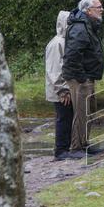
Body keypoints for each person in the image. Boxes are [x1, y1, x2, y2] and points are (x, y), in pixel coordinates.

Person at [61, 0, 104, 155]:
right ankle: (76, 147)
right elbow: (72, 56)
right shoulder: (80, 27)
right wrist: (81, 77)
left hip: (87, 76)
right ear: (88, 10)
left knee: (88, 111)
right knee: (81, 113)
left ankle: (84, 143)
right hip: (79, 78)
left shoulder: (88, 25)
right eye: (98, 7)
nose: (102, 10)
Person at [45, 11, 79, 160]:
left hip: (66, 87)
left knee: (69, 117)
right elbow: (54, 70)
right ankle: (61, 150)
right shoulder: (57, 43)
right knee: (63, 118)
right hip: (60, 90)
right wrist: (62, 90)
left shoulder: (65, 41)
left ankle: (68, 147)